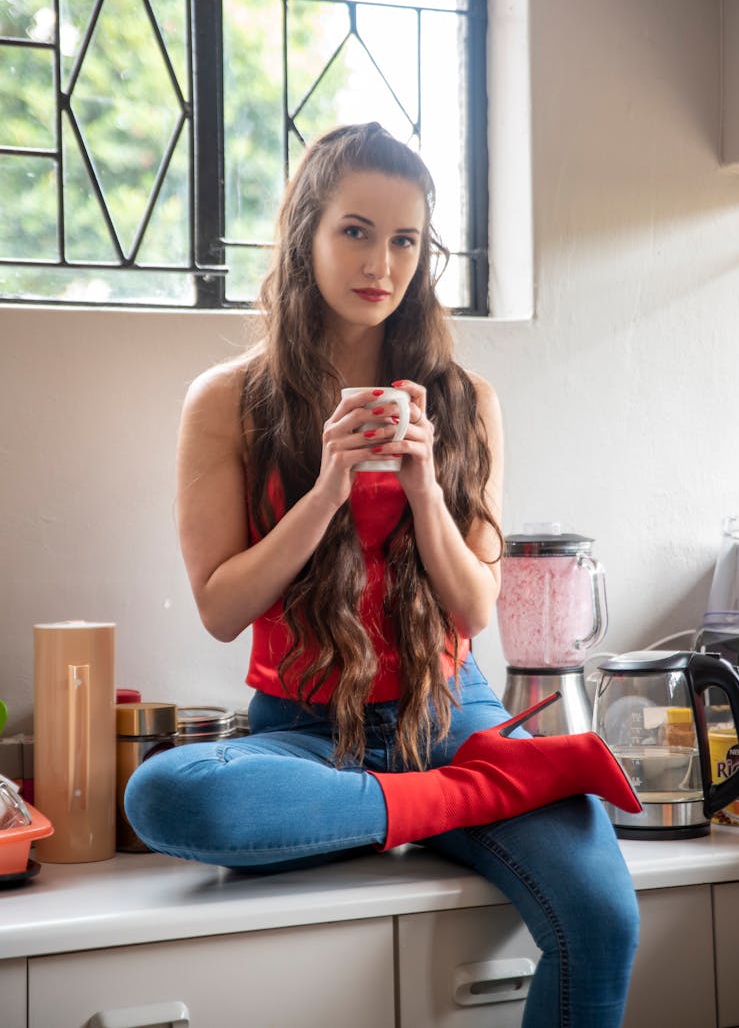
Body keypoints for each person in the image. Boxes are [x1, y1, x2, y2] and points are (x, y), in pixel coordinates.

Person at [125, 122, 641, 1027]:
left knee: (602, 914)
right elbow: (220, 607)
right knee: (163, 793)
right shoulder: (226, 401)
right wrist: (326, 487)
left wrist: (423, 486)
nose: (383, 262)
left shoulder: (465, 398)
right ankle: (465, 799)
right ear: (306, 237)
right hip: (305, 735)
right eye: (356, 231)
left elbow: (477, 605)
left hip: (450, 713)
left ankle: (423, 796)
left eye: (407, 239)